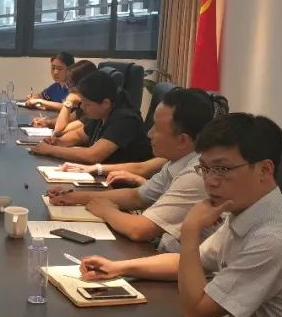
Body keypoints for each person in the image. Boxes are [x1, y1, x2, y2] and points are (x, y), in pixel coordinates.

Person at [78, 113, 282, 317]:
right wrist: (120, 267)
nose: (210, 181)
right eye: (205, 168)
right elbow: (188, 262)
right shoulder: (244, 210)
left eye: (222, 169)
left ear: (264, 169)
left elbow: (194, 311)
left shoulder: (275, 240)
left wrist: (191, 230)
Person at [48, 87, 214, 252]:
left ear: (182, 141)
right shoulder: (177, 161)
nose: (149, 134)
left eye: (156, 128)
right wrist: (73, 197)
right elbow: (137, 196)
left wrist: (107, 211)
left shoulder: (197, 174)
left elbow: (139, 230)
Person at [30, 70, 152, 165]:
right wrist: (59, 142)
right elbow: (79, 135)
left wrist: (50, 150)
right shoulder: (102, 112)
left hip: (121, 182)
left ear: (105, 103)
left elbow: (93, 155)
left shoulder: (125, 120)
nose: (82, 107)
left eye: (87, 104)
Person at [32, 59, 96, 135]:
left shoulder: (92, 110)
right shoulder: (82, 105)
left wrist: (69, 101)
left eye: (71, 84)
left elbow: (58, 131)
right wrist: (47, 122)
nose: (69, 88)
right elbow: (70, 118)